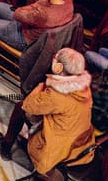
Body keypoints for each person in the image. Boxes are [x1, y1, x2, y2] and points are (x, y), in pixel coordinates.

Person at [9, 46, 97, 174]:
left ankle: (6, 145)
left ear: (58, 68)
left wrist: (43, 85)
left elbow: (29, 105)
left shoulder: (57, 95)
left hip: (57, 149)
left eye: (55, 58)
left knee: (20, 107)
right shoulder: (83, 88)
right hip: (79, 144)